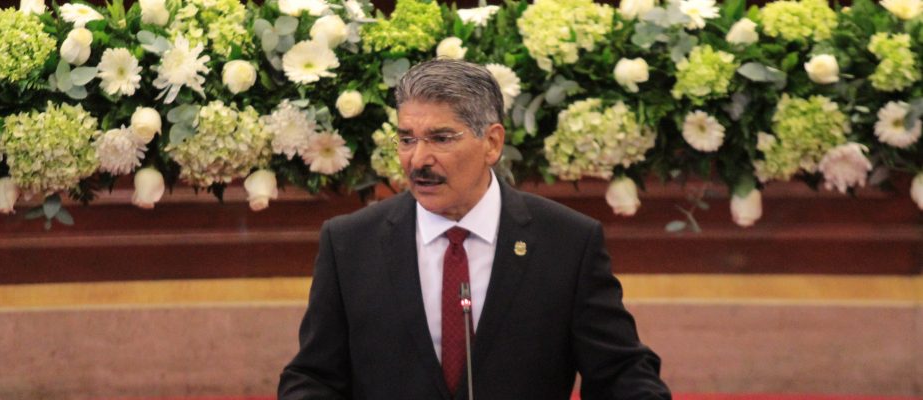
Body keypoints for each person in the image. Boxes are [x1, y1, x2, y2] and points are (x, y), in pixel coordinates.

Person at [278, 59, 671, 400]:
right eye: (407, 139)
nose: (418, 159)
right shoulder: (350, 243)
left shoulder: (567, 242)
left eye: (440, 138)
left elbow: (620, 373)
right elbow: (314, 377)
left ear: (492, 143)